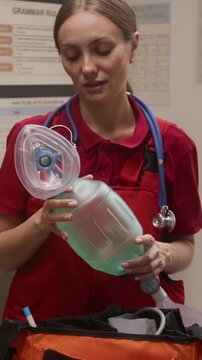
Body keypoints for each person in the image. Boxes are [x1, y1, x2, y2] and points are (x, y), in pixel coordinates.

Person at [0, 0, 201, 323]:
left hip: (137, 333)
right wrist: (42, 222)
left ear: (132, 45)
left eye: (103, 50)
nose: (87, 68)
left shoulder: (172, 145)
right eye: (72, 55)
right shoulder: (35, 141)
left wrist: (162, 255)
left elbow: (185, 247)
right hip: (44, 332)